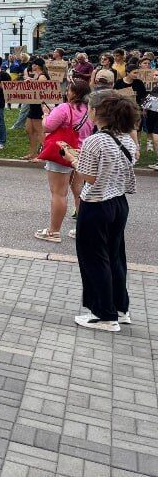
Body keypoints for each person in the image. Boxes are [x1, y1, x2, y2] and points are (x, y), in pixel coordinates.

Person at [61, 92, 139, 331]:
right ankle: (120, 308)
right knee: (115, 257)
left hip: (96, 204)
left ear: (97, 112)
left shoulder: (95, 141)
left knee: (94, 259)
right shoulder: (125, 139)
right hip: (118, 203)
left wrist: (71, 158)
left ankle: (103, 315)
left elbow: (90, 177)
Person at [35, 80, 92, 243]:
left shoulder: (64, 108)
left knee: (59, 193)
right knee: (79, 193)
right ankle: (83, 229)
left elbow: (48, 127)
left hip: (63, 151)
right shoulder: (89, 109)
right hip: (81, 153)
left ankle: (54, 232)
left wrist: (46, 114)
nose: (67, 92)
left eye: (69, 90)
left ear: (75, 93)